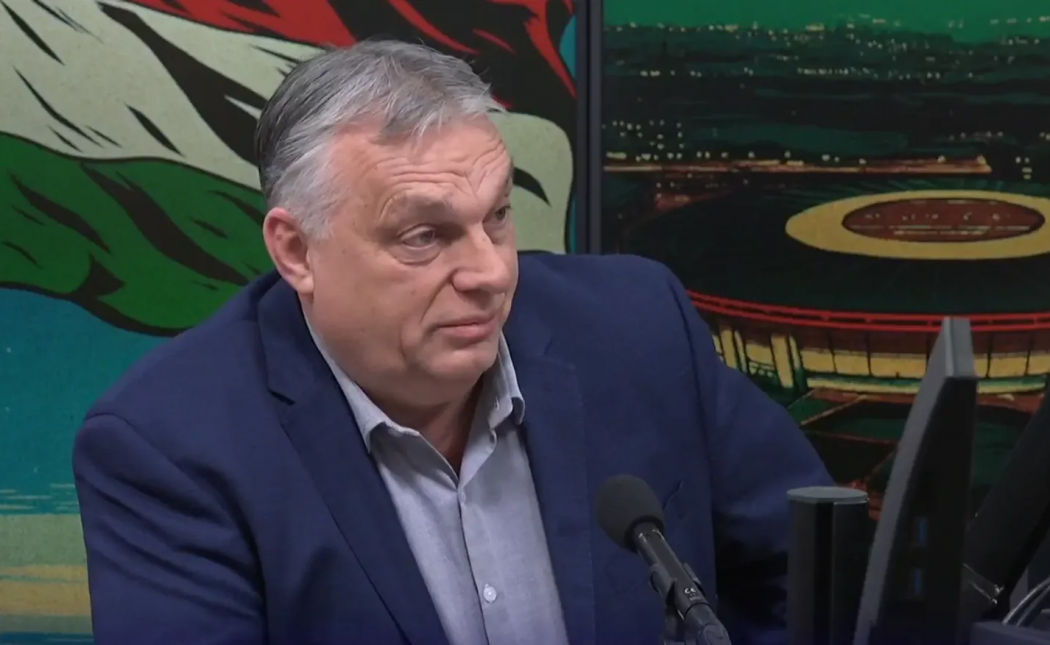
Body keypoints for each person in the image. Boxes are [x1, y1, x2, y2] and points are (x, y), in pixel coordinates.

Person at [73, 40, 831, 645]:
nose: (490, 272)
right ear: (297, 251)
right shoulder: (171, 448)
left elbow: (816, 589)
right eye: (424, 236)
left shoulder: (637, 330)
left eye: (497, 217)